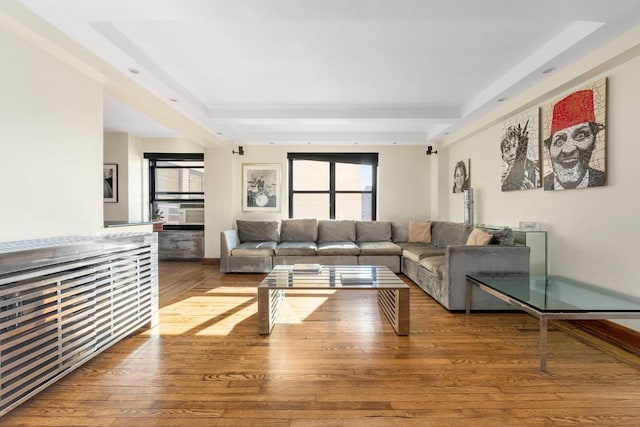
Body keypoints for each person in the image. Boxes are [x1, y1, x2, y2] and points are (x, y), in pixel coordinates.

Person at [543, 89, 605, 190]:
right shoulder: (544, 182)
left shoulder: (601, 178)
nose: (568, 149)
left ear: (594, 142)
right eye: (559, 141)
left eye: (580, 136)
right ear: (549, 149)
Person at [501, 120, 540, 191]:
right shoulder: (503, 181)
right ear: (503, 157)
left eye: (514, 146)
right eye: (507, 150)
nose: (512, 153)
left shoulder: (537, 168)